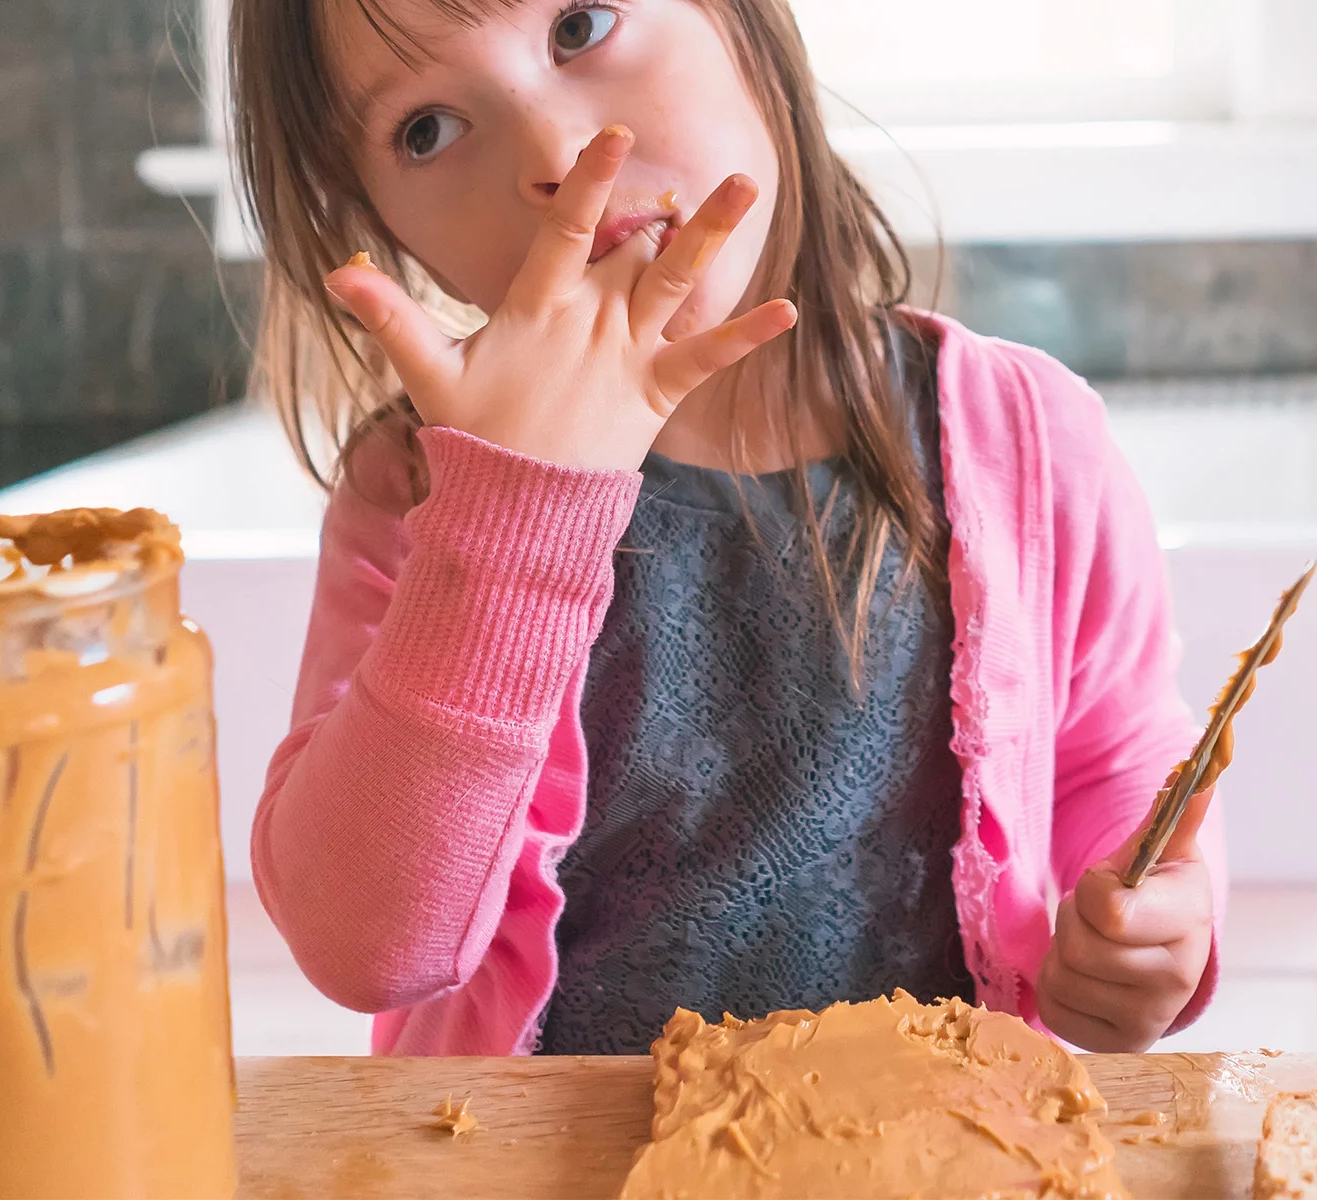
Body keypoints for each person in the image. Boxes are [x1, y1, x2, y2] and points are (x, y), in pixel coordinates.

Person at [232, 0, 1226, 1056]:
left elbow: (1110, 763)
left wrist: (1150, 930)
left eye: (579, 27)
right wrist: (506, 525)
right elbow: (366, 950)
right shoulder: (416, 495)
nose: (560, 158)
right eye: (426, 128)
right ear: (380, 223)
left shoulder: (1030, 436)